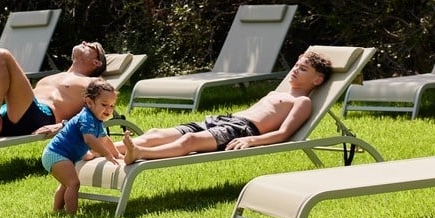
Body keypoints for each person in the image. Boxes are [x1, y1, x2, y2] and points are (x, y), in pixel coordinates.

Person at [117, 50, 332, 164]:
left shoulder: (302, 102)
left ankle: (140, 153)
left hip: (242, 130)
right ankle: (105, 148)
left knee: (189, 141)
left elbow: (283, 134)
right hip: (225, 120)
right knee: (156, 133)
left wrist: (251, 140)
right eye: (296, 65)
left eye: (303, 69)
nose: (295, 70)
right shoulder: (277, 93)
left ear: (317, 80)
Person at [41, 78, 122, 214]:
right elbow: (89, 139)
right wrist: (107, 154)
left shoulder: (96, 120)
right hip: (56, 154)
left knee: (66, 184)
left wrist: (117, 154)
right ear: (89, 102)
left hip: (59, 155)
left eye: (112, 106)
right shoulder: (86, 117)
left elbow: (105, 140)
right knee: (73, 184)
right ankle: (71, 214)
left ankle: (57, 211)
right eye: (104, 104)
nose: (109, 109)